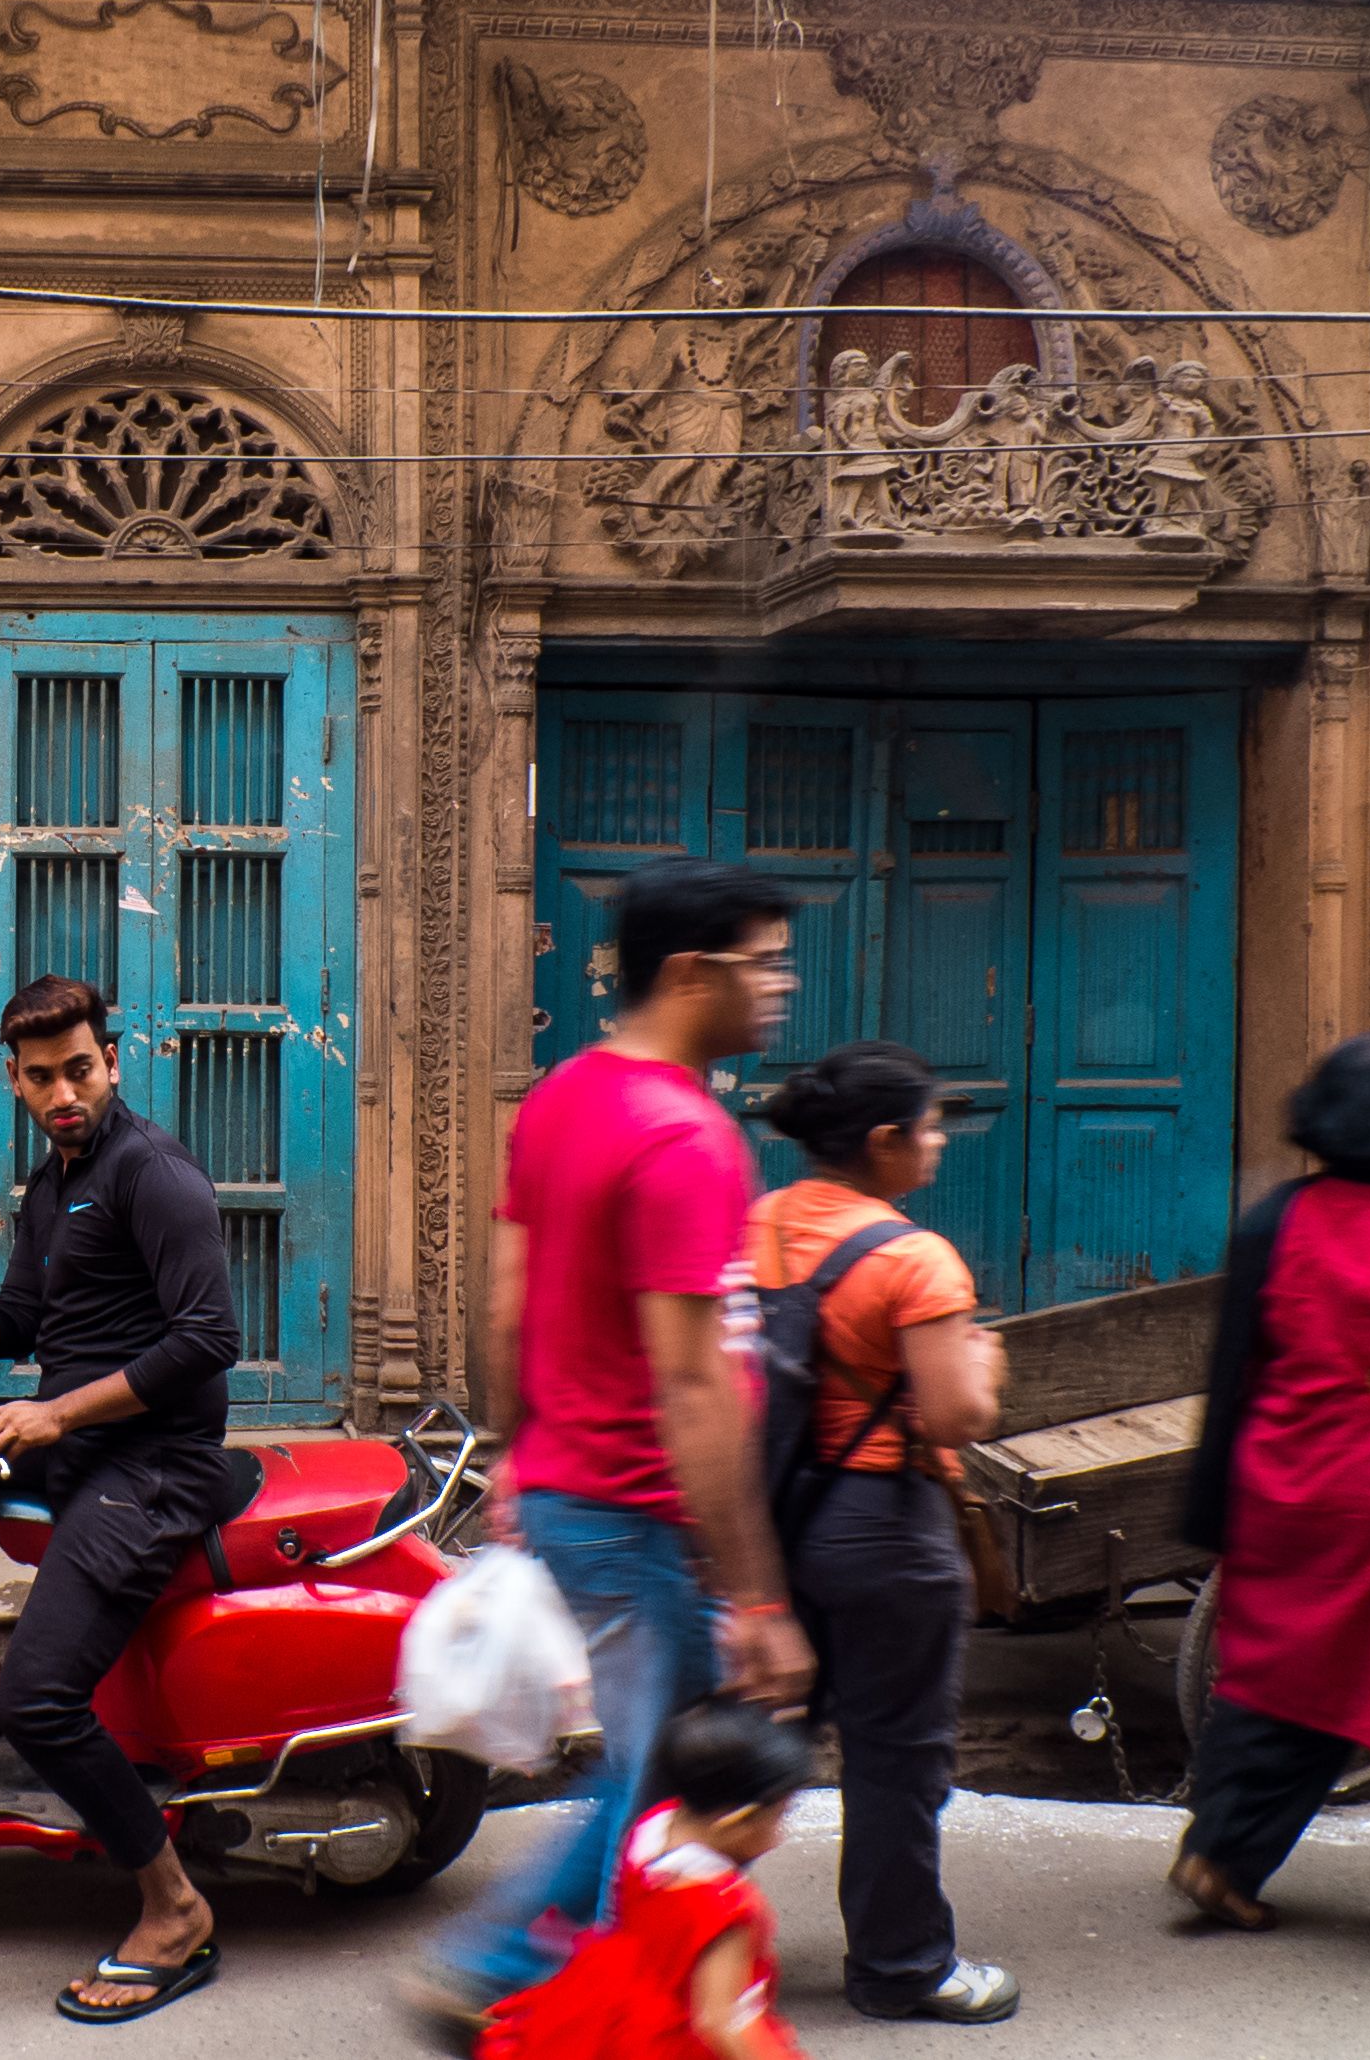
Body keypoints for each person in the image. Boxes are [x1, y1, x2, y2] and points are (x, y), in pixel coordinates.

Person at [410, 856, 816, 2045]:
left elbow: (507, 1303)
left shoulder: (562, 1097)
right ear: (691, 974)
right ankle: (540, 1995)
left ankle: (511, 1971)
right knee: (661, 1791)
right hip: (644, 1516)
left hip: (576, 1491)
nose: (780, 986)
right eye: (765, 961)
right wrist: (753, 1592)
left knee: (647, 1768)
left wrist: (520, 1450)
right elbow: (693, 1382)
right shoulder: (683, 1138)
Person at [0, 973, 239, 2024]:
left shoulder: (152, 1173)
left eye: (78, 1068)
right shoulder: (50, 1181)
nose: (62, 1089)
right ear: (14, 1082)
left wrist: (54, 1417)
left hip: (148, 1464)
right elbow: (18, 1324)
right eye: (39, 1076)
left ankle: (172, 1909)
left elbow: (209, 1338)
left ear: (110, 1061)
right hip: (70, 1441)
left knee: (44, 1704)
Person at [749, 1042, 1018, 2024]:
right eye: (929, 1124)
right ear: (880, 1141)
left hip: (772, 1513)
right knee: (895, 1757)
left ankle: (669, 1939)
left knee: (749, 1739)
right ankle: (901, 1964)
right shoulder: (911, 1258)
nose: (939, 1141)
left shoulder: (757, 1226)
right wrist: (982, 1363)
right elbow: (953, 1416)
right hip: (883, 1529)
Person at [1172, 1031, 1370, 1929]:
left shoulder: (1276, 1218)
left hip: (1287, 1482)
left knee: (1281, 1684)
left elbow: (1232, 1374)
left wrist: (1212, 1506)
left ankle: (1219, 1856)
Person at [478, 1700, 819, 2060]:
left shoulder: (654, 1824)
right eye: (778, 1817)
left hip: (613, 2001)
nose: (779, 1834)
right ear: (736, 1820)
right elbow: (721, 2022)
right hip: (668, 2039)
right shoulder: (726, 1909)